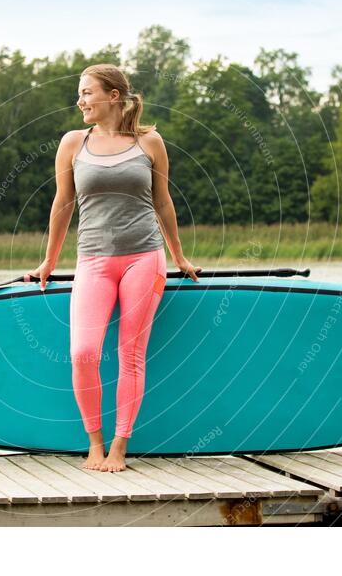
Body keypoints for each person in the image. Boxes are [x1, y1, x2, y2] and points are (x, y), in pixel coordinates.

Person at [29, 64, 200, 472]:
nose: (80, 100)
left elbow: (163, 202)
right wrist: (49, 261)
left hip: (145, 257)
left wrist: (178, 255)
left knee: (130, 354)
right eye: (79, 93)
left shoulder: (150, 142)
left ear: (113, 95)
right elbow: (62, 204)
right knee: (83, 352)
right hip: (93, 260)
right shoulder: (73, 143)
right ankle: (94, 444)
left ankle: (120, 447)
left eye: (87, 92)